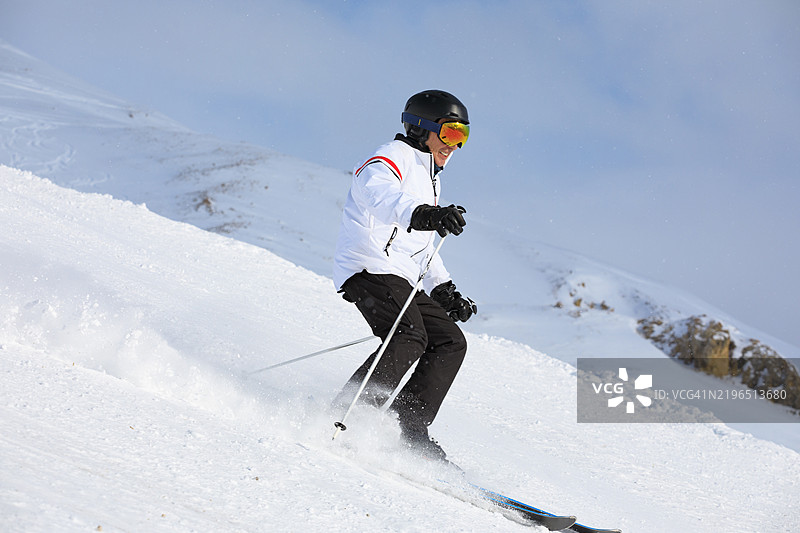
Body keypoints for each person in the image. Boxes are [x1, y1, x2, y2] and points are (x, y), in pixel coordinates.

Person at [332, 90, 477, 462]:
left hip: (398, 274)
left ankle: (407, 429)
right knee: (409, 334)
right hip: (367, 266)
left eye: (463, 137)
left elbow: (422, 247)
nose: (454, 146)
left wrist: (444, 290)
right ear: (421, 128)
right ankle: (346, 416)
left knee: (449, 341)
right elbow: (379, 195)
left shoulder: (430, 177)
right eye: (450, 134)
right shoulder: (389, 157)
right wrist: (427, 213)